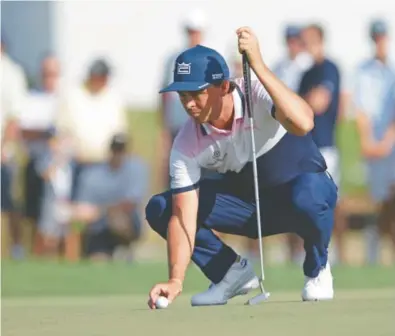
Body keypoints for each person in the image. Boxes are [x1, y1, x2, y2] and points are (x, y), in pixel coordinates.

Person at [145, 27, 338, 309]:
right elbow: (183, 217)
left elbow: (304, 122)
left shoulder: (255, 91)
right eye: (182, 95)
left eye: (195, 93)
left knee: (309, 191)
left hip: (298, 195)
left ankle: (317, 267)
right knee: (162, 208)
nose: (188, 103)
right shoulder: (186, 143)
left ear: (223, 86)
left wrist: (258, 64)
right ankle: (229, 274)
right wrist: (176, 279)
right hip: (248, 209)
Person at [298, 24, 346, 264]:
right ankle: (313, 248)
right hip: (306, 147)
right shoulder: (306, 74)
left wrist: (299, 102)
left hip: (326, 146)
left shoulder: (329, 68)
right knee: (306, 200)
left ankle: (338, 252)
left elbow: (319, 103)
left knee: (331, 201)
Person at [353, 20, 395, 263]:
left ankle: (378, 237)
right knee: (379, 198)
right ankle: (374, 242)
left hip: (391, 144)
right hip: (374, 145)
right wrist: (368, 141)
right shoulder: (362, 70)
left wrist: (388, 141)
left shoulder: (393, 70)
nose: (380, 41)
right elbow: (361, 110)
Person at [272, 24, 314, 263]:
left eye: (295, 39)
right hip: (282, 139)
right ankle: (293, 251)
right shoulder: (279, 66)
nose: (292, 44)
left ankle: (308, 247)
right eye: (289, 40)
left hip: (304, 136)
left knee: (306, 194)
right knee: (287, 195)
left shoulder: (309, 65)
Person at [73, 134, 148, 261]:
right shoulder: (93, 174)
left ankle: (123, 248)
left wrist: (102, 210)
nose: (118, 154)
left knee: (117, 218)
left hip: (125, 222)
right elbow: (82, 207)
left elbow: (131, 203)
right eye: (116, 150)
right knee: (97, 260)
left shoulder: (136, 168)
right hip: (98, 226)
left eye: (121, 150)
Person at [159, 9, 207, 187]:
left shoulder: (210, 59)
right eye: (190, 31)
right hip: (177, 128)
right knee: (174, 175)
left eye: (196, 31)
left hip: (202, 129)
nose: (193, 35)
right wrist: (163, 129)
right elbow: (165, 96)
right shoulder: (173, 59)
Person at [1, 36, 28, 259]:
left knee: (10, 201)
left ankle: (17, 248)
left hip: (3, 150)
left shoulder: (10, 73)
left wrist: (5, 146)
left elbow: (13, 116)